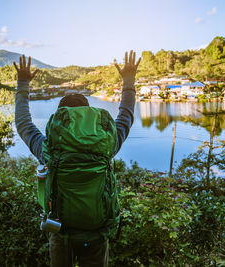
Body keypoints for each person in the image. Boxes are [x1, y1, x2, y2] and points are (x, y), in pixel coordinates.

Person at [14, 51, 139, 267]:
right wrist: (128, 80)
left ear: (60, 118)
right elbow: (126, 115)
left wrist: (23, 84)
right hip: (97, 233)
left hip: (61, 232)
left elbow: (23, 123)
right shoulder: (105, 145)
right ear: (88, 117)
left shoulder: (49, 151)